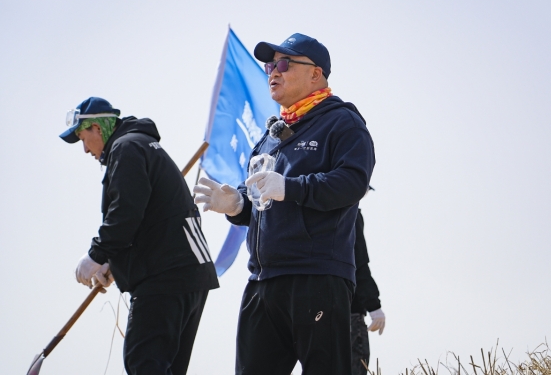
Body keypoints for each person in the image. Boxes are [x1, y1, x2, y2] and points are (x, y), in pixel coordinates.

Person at [194, 33, 376, 375]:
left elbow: (352, 183)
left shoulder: (343, 123)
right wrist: (237, 206)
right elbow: (264, 202)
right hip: (263, 281)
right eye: (269, 66)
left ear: (315, 74)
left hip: (317, 279)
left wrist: (290, 187)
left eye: (283, 64)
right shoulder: (271, 136)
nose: (272, 73)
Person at [60, 97, 219, 375]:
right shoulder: (139, 145)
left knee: (144, 363)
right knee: (163, 368)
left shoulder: (126, 147)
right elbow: (144, 215)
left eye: (83, 138)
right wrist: (114, 260)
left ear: (97, 128)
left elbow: (126, 210)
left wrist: (97, 254)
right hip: (189, 274)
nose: (85, 149)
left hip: (165, 275)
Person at [351, 208, 386, 375]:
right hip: (349, 314)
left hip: (314, 312)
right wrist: (374, 307)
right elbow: (358, 262)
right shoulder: (350, 213)